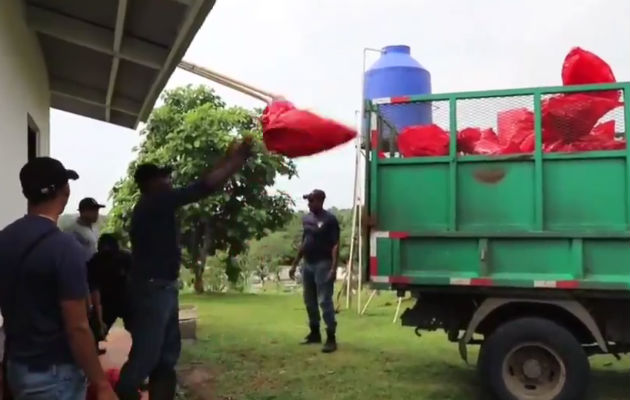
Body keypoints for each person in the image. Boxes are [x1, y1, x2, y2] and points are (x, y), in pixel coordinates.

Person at [115, 138, 254, 400]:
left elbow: (203, 181)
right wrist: (236, 162)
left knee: (166, 357)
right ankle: (123, 390)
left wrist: (227, 157)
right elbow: (203, 187)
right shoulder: (154, 203)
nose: (168, 180)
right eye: (162, 177)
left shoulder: (156, 205)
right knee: (147, 355)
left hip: (163, 287)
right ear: (150, 184)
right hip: (152, 289)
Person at [0, 157, 116, 400]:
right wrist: (102, 384)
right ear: (65, 191)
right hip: (54, 375)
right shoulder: (64, 247)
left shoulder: (4, 239)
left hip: (17, 367)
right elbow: (77, 327)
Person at [289, 189, 340, 353]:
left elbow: (335, 245)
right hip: (308, 264)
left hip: (323, 264)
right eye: (308, 201)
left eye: (312, 201)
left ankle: (331, 337)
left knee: (325, 301)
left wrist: (333, 267)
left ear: (320, 201)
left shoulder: (330, 220)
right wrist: (295, 263)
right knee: (309, 300)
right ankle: (314, 333)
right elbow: (305, 241)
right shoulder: (307, 219)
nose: (309, 204)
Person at [88, 234, 133, 347]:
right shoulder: (95, 262)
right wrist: (99, 318)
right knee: (95, 332)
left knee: (139, 330)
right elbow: (95, 290)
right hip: (109, 301)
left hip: (124, 298)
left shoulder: (125, 258)